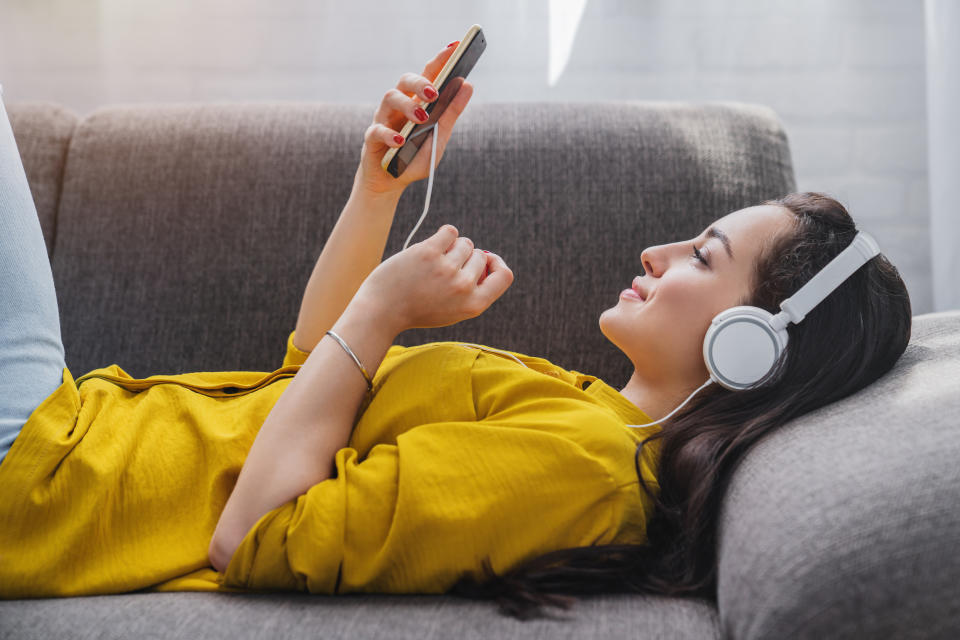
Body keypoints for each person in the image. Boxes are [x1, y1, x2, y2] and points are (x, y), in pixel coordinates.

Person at [0, 41, 911, 624]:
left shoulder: (587, 466)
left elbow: (259, 530)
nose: (659, 250)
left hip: (44, 483)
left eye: (704, 258)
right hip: (65, 437)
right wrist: (379, 192)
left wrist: (385, 310)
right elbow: (311, 381)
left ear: (747, 349)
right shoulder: (582, 412)